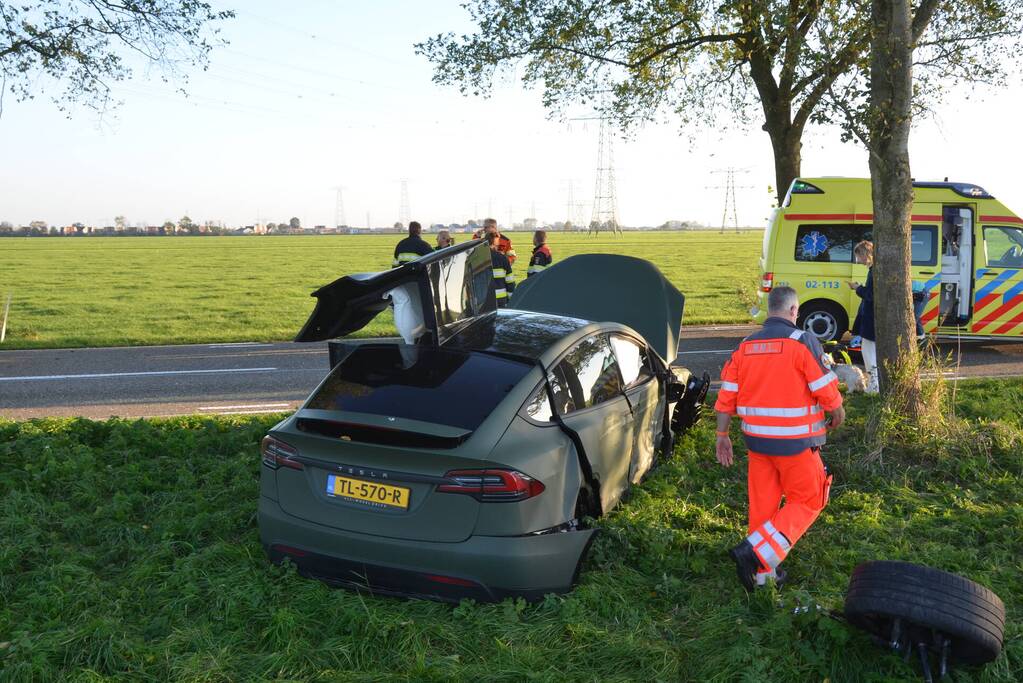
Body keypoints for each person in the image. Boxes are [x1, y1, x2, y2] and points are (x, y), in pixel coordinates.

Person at [715, 285, 845, 590]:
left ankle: (762, 577)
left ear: (769, 309)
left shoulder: (744, 346)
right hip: (796, 444)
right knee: (811, 498)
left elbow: (726, 396)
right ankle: (756, 553)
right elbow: (824, 385)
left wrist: (722, 434)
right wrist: (837, 409)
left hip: (757, 443)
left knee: (763, 507)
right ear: (793, 311)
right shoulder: (802, 341)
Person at [847, 240, 879, 393]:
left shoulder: (874, 271)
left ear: (865, 254)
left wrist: (858, 288)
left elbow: (871, 295)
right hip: (873, 318)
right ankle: (875, 385)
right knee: (870, 352)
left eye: (858, 256)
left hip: (871, 319)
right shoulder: (875, 269)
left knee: (869, 354)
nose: (857, 260)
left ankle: (874, 387)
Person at [486, 231, 515, 306]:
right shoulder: (502, 258)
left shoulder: (479, 257)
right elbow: (510, 281)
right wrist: (510, 299)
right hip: (501, 301)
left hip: (484, 301)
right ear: (496, 243)